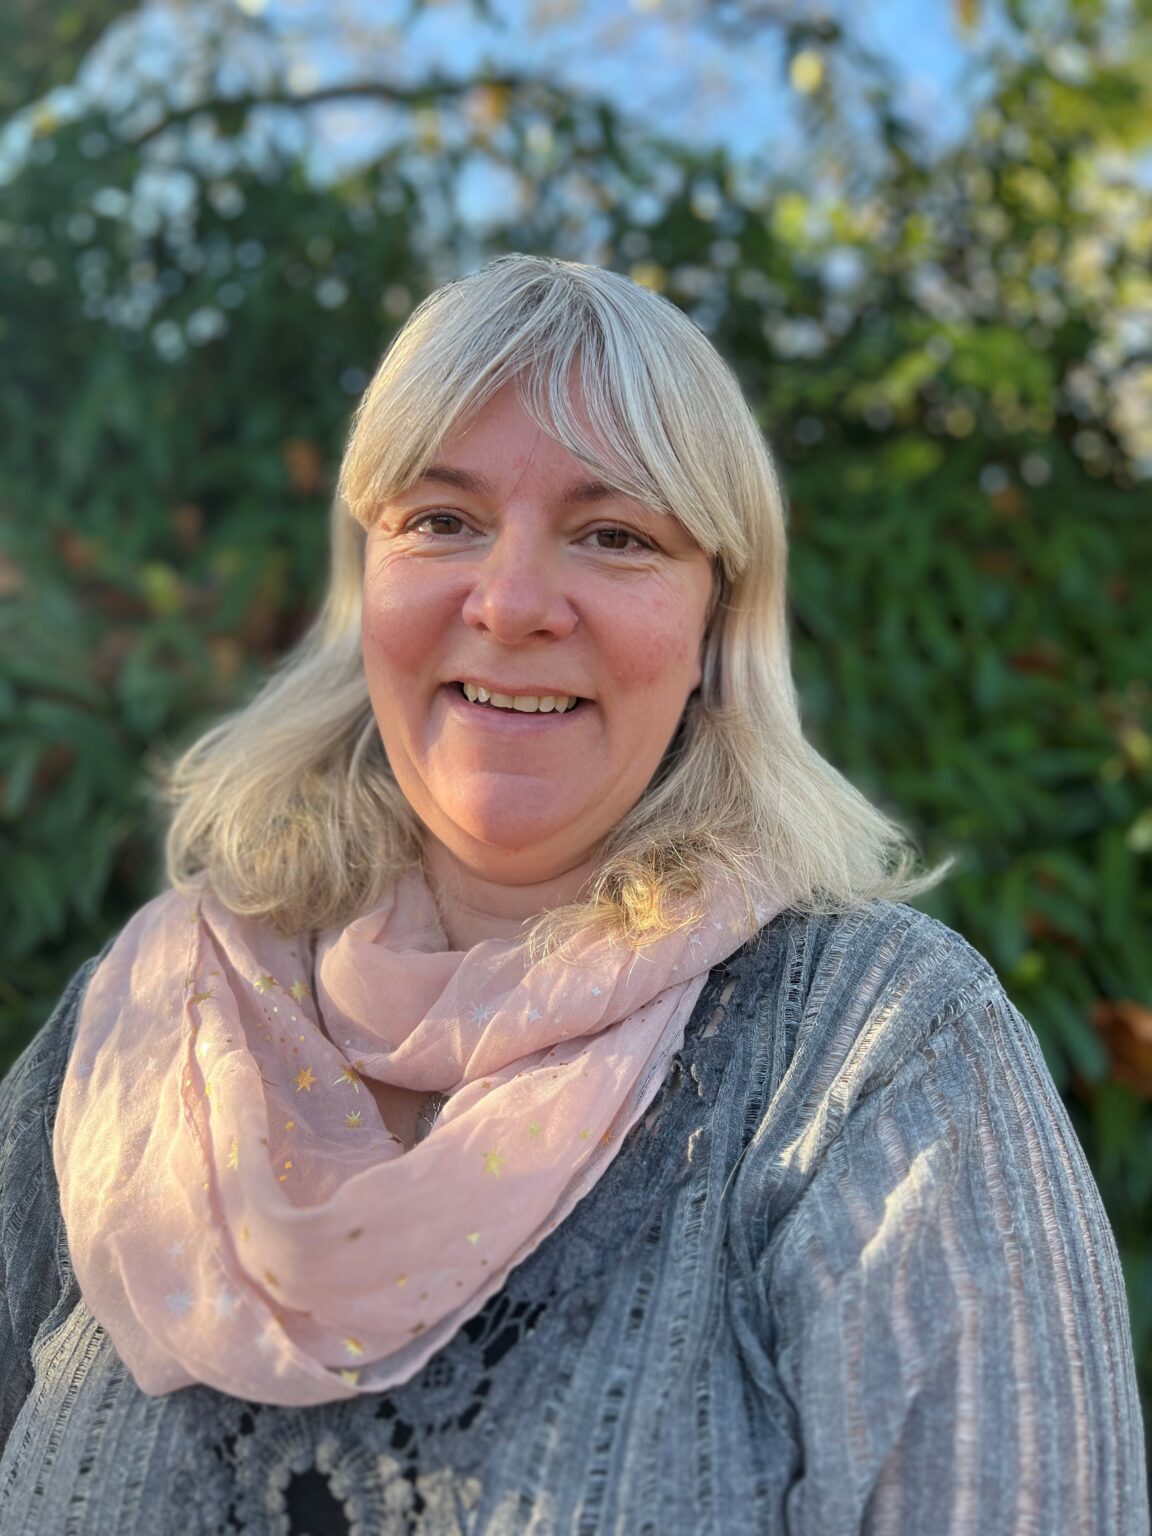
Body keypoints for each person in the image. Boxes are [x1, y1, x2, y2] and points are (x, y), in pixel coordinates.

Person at [0, 255, 1146, 1536]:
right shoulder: (137, 1027)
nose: (513, 603)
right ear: (364, 584)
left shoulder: (879, 1053)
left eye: (615, 535)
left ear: (718, 621)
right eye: (441, 520)